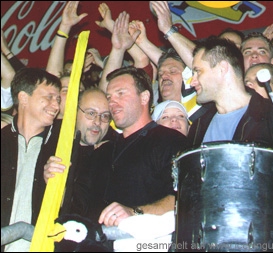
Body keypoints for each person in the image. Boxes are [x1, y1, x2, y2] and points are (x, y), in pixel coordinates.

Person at [86, 66, 188, 228]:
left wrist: (135, 212)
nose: (112, 102)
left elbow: (184, 198)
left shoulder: (171, 142)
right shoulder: (103, 152)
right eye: (109, 96)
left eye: (121, 93)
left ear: (144, 97)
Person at [188, 36, 273, 152]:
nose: (192, 82)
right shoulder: (197, 127)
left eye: (198, 72)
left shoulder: (272, 115)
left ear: (222, 68)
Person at [1, 68, 61, 252]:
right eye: (49, 96)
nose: (56, 105)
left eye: (58, 99)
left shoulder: (62, 144)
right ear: (24, 98)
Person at [43, 87, 116, 216]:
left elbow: (87, 209)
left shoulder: (112, 154)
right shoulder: (50, 138)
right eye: (91, 113)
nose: (97, 122)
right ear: (75, 112)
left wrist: (59, 189)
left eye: (105, 116)